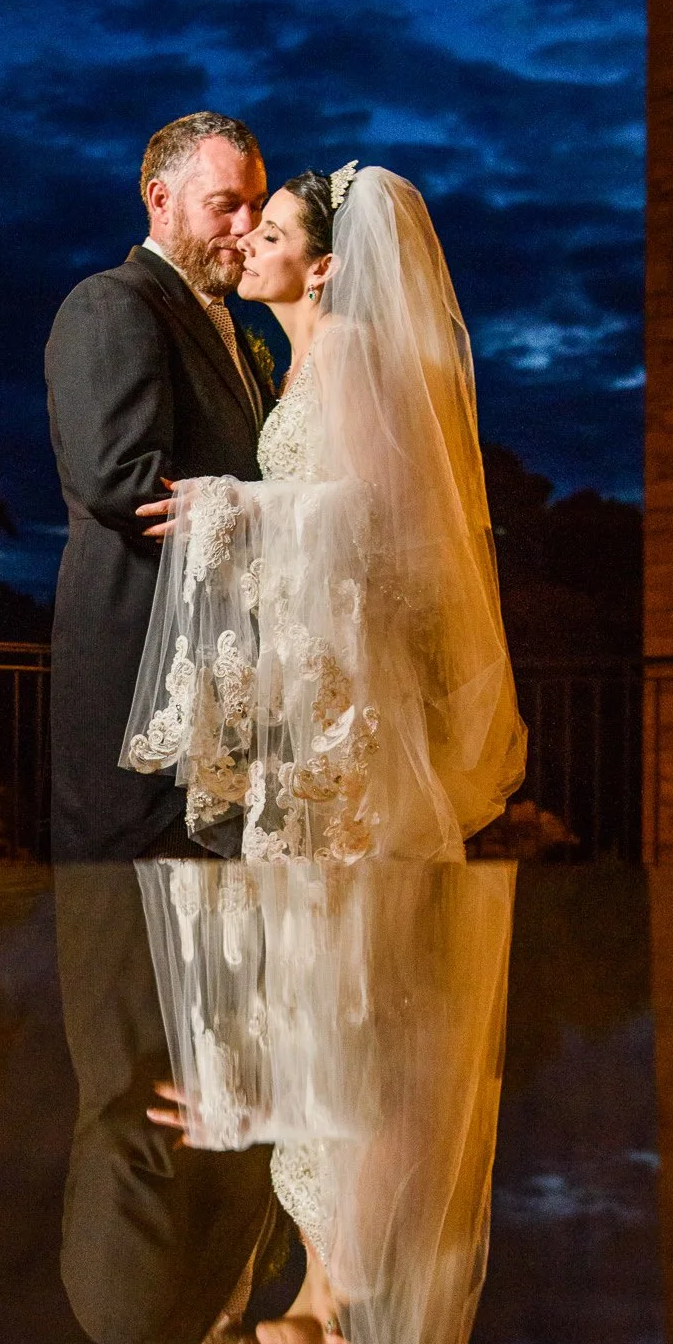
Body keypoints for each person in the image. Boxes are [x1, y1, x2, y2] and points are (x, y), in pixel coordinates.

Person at [123, 164, 526, 861]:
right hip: (302, 653)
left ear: (322, 268)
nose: (246, 240)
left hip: (349, 662)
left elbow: (375, 502)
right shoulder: (296, 364)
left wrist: (239, 505)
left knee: (344, 873)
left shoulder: (346, 349)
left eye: (271, 233)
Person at [138, 856, 516, 1344]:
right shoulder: (357, 1266)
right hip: (357, 981)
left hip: (323, 995)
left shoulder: (310, 1257)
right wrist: (257, 1120)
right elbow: (395, 1127)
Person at [44, 114, 272, 862]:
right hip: (142, 685)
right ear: (160, 200)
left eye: (256, 205)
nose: (245, 226)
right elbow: (123, 482)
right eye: (223, 205)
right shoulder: (113, 303)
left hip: (226, 690)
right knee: (130, 942)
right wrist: (282, 519)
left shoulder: (232, 331)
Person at [53, 862, 289, 1344]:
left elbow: (121, 1144)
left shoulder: (123, 1317)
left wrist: (240, 1115)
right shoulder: (260, 1273)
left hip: (134, 908)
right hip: (225, 900)